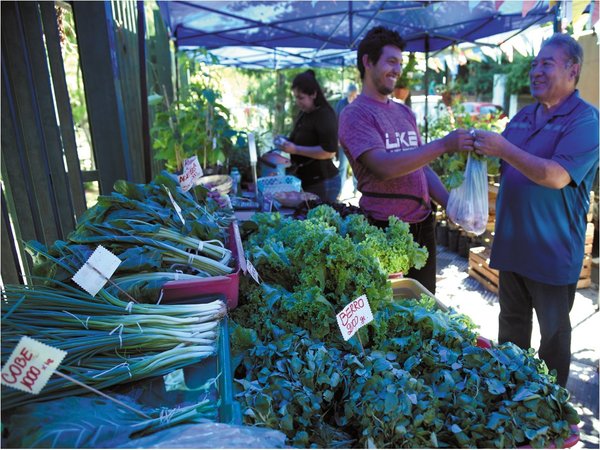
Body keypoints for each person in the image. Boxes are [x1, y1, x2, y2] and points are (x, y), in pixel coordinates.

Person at [472, 33, 599, 387]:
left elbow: (557, 176)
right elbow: (506, 165)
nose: (536, 71)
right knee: (511, 326)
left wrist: (502, 148)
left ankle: (551, 405)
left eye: (546, 63)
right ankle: (512, 393)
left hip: (552, 253)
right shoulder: (525, 116)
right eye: (534, 64)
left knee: (553, 335)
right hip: (513, 247)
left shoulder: (586, 121)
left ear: (572, 70)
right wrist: (481, 150)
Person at [338, 26, 475, 294]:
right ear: (367, 61)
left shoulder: (404, 113)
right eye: (391, 61)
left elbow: (420, 167)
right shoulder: (356, 114)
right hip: (383, 230)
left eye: (400, 63)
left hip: (423, 227)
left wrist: (451, 205)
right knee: (390, 309)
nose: (397, 70)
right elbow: (383, 167)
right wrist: (443, 144)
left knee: (425, 307)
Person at [277, 70, 341, 203]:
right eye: (295, 97)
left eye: (301, 97)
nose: (297, 102)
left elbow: (329, 152)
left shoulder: (325, 115)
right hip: (306, 181)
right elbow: (299, 141)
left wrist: (295, 149)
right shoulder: (304, 113)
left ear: (313, 94)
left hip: (324, 183)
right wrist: (285, 142)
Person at [335, 83, 358, 199]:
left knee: (356, 167)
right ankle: (339, 191)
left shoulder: (359, 104)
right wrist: (338, 138)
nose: (352, 98)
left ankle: (356, 189)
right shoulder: (340, 104)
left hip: (356, 142)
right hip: (343, 141)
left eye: (354, 95)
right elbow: (336, 122)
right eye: (350, 95)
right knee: (342, 167)